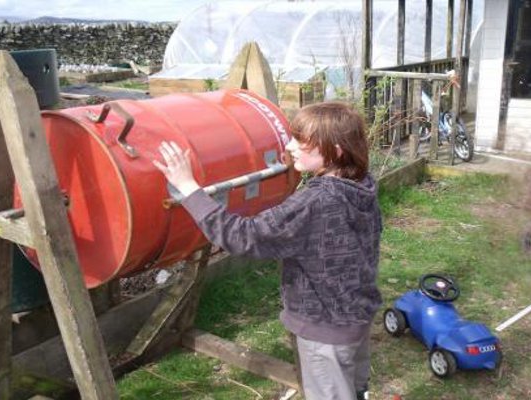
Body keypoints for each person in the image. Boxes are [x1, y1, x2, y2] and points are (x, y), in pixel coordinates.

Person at [153, 101, 382, 400]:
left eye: (302, 141)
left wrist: (188, 188)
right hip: (356, 315)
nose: (290, 146)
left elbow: (242, 236)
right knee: (353, 385)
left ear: (335, 150)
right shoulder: (361, 185)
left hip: (324, 328)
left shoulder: (314, 203)